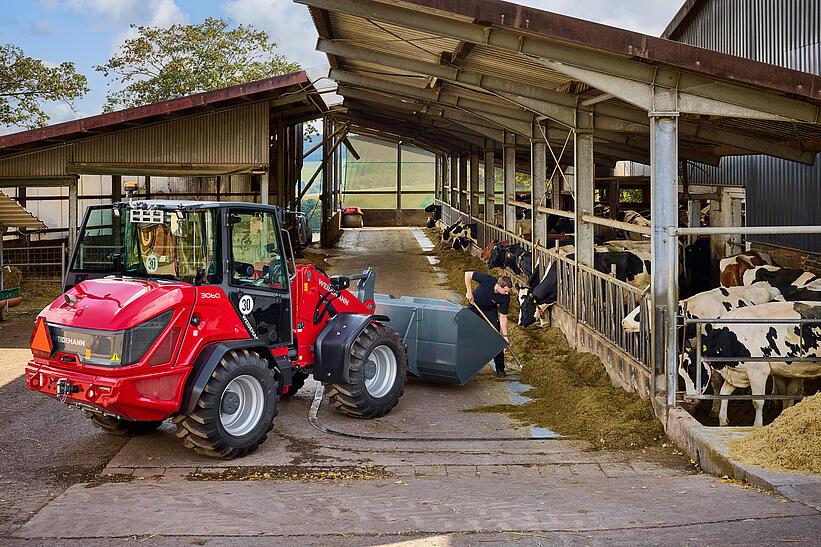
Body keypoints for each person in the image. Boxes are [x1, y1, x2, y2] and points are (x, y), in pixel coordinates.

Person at [464, 270, 512, 377]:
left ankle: (500, 368)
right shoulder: (487, 280)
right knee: (465, 332)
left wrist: (505, 336)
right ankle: (465, 362)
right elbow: (468, 274)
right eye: (505, 291)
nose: (507, 293)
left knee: (496, 338)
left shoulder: (505, 298)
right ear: (499, 286)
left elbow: (503, 317)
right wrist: (469, 292)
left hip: (490, 311)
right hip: (474, 306)